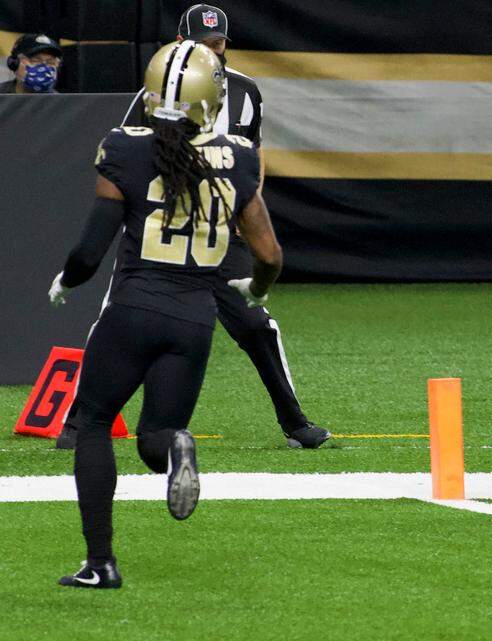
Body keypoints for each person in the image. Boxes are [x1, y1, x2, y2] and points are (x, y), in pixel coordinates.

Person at [50, 41, 281, 588]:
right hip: (194, 320)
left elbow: (91, 249)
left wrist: (68, 279)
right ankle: (177, 449)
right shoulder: (239, 157)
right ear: (213, 96)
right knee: (158, 437)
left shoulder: (124, 148)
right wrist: (256, 287)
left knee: (95, 425)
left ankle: (100, 563)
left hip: (132, 309)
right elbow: (270, 254)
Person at [65, 3, 330, 450]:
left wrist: (246, 208)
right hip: (160, 222)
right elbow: (132, 154)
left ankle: (294, 420)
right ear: (180, 43)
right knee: (114, 315)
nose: (212, 50)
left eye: (218, 42)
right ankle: (78, 422)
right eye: (202, 43)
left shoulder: (245, 91)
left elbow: (253, 155)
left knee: (254, 324)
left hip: (216, 223)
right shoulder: (157, 93)